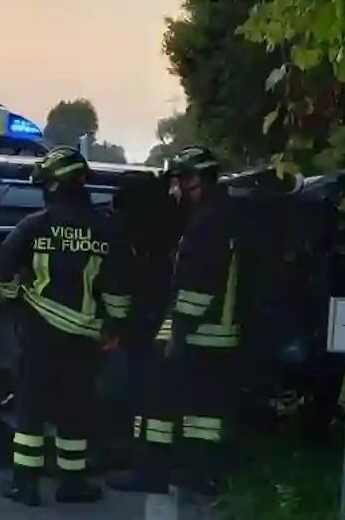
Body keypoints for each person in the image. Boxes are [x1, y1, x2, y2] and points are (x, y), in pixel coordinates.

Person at [0, 146, 131, 506]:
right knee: (75, 412)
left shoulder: (34, 226)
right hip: (84, 338)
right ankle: (73, 484)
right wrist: (114, 325)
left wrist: (13, 296)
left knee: (31, 410)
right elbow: (118, 287)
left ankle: (26, 485)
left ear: (53, 185)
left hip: (37, 333)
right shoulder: (107, 229)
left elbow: (1, 264)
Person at [110, 146, 243, 495]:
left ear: (193, 179)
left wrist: (176, 332)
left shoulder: (206, 223)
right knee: (204, 411)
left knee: (154, 400)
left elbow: (197, 286)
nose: (174, 190)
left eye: (178, 181)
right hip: (220, 333)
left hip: (197, 329)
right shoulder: (226, 214)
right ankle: (200, 474)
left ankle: (149, 474)